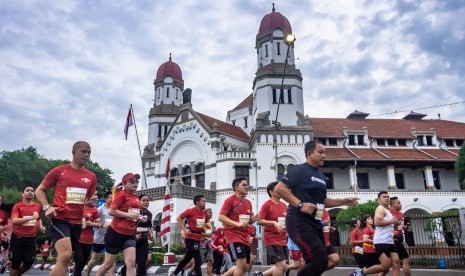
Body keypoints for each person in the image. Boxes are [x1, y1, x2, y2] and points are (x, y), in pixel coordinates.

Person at [275, 140, 358, 276]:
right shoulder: (299, 170)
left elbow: (322, 201)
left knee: (321, 261)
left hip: (315, 223)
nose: (324, 155)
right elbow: (280, 188)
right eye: (320, 152)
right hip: (298, 222)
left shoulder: (321, 177)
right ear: (309, 153)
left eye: (325, 152)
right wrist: (301, 204)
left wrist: (343, 201)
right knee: (320, 260)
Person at [35, 141, 98, 276]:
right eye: (83, 151)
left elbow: (87, 200)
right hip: (59, 218)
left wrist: (91, 202)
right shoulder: (59, 171)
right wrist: (47, 208)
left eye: (89, 152)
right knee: (65, 255)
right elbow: (39, 190)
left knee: (66, 259)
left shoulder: (91, 177)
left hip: (76, 222)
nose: (87, 155)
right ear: (74, 152)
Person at [96, 173, 144, 276]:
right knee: (108, 264)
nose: (135, 183)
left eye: (137, 181)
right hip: (115, 234)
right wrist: (129, 215)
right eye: (132, 181)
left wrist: (139, 218)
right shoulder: (121, 194)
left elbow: (132, 213)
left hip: (130, 235)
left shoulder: (135, 196)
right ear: (124, 183)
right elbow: (111, 211)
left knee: (131, 263)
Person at [353, 191, 400, 276]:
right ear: (379, 199)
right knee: (385, 266)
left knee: (396, 263)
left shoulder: (388, 211)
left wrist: (394, 226)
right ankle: (362, 272)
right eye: (384, 197)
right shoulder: (380, 208)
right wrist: (391, 221)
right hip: (381, 241)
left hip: (390, 241)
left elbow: (386, 225)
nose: (387, 198)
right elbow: (377, 222)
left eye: (387, 197)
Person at [219, 177, 259, 276]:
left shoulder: (248, 203)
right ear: (236, 187)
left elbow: (245, 222)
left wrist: (253, 219)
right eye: (244, 185)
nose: (247, 187)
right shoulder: (230, 200)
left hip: (244, 237)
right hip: (233, 236)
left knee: (245, 266)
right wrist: (236, 224)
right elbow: (221, 217)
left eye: (247, 185)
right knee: (241, 266)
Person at [10, 185, 46, 276]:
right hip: (18, 237)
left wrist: (41, 227)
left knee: (28, 262)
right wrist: (31, 218)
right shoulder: (17, 206)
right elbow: (14, 221)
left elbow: (38, 219)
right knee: (16, 262)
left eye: (32, 191)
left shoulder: (37, 206)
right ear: (23, 194)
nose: (30, 192)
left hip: (31, 238)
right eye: (27, 190)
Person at [171, 195, 209, 276]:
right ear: (197, 203)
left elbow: (204, 225)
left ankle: (174, 273)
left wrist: (204, 232)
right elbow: (178, 218)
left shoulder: (205, 212)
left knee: (186, 259)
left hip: (198, 238)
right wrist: (184, 230)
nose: (205, 202)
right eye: (203, 201)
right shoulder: (190, 211)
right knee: (198, 259)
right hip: (190, 238)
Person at [258, 181, 289, 276]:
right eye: (277, 189)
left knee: (284, 266)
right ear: (271, 192)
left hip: (283, 239)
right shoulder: (267, 205)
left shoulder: (283, 205)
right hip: (272, 238)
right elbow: (259, 221)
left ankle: (260, 275)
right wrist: (273, 223)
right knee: (281, 265)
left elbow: (285, 221)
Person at [120, 193, 153, 276]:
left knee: (142, 263)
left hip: (143, 241)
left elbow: (149, 226)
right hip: (132, 240)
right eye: (143, 200)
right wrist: (134, 235)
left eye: (147, 201)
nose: (146, 202)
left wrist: (150, 236)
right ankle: (122, 273)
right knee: (131, 263)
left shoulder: (149, 214)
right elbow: (128, 225)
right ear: (139, 202)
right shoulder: (134, 211)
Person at [86, 192, 116, 276]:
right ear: (106, 199)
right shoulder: (100, 209)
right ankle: (87, 273)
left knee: (111, 261)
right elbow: (93, 222)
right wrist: (101, 225)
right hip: (99, 238)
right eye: (111, 198)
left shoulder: (115, 209)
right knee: (94, 259)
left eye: (114, 198)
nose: (113, 200)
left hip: (111, 237)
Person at [74, 201, 100, 276]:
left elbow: (99, 224)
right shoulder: (78, 208)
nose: (94, 200)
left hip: (89, 240)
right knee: (79, 261)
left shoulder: (94, 210)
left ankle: (73, 271)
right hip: (77, 239)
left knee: (83, 262)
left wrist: (91, 224)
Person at [389, 197, 411, 276]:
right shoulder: (388, 213)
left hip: (398, 239)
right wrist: (392, 232)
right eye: (398, 203)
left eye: (400, 202)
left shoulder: (400, 214)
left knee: (390, 264)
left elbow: (400, 227)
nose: (400, 204)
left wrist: (406, 228)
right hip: (392, 240)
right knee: (404, 260)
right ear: (392, 205)